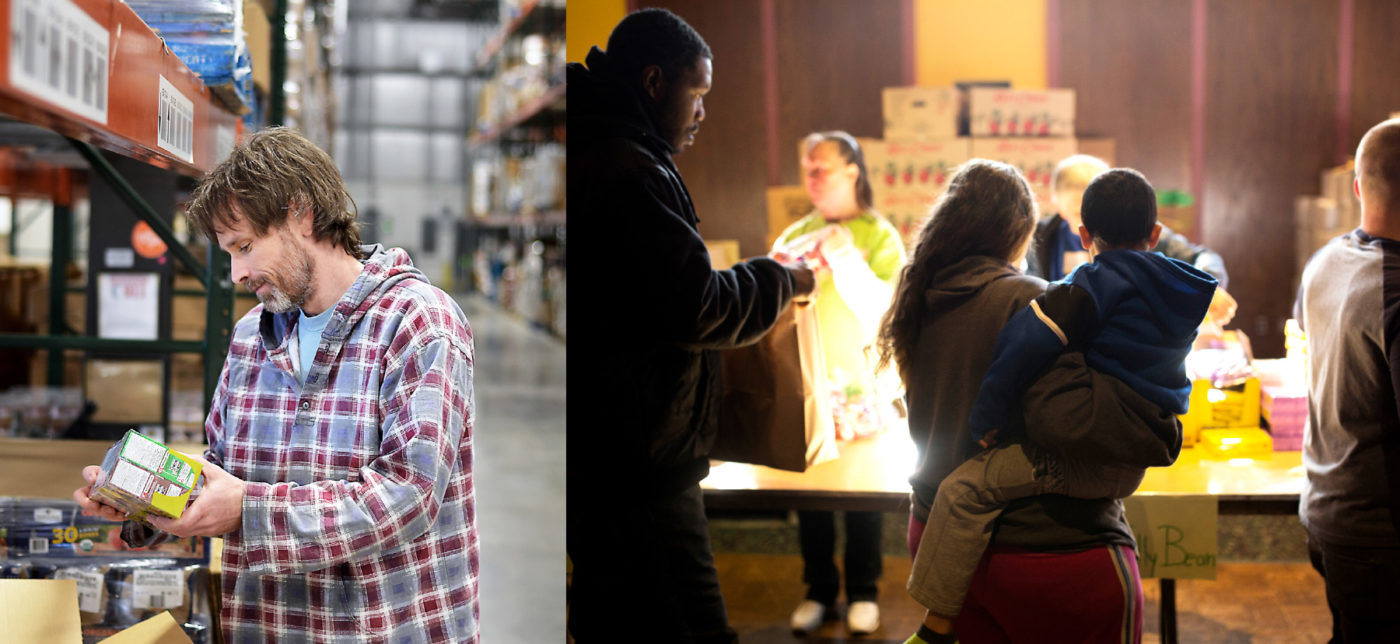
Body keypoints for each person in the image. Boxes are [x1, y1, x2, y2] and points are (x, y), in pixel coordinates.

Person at [71, 127, 480, 642]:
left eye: (245, 246)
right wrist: (150, 504)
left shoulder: (419, 324)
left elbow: (408, 497)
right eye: (229, 253)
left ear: (301, 214)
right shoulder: (250, 336)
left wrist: (248, 508)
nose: (238, 273)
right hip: (267, 626)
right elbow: (223, 471)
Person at [566, 9, 816, 643]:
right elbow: (696, 306)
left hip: (607, 454)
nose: (703, 111)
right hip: (638, 462)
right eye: (697, 93)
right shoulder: (629, 169)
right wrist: (781, 279)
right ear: (654, 82)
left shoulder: (604, 145)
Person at [905, 168, 1214, 643]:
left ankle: (932, 626)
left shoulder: (921, 295)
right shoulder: (1176, 289)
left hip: (935, 531)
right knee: (970, 488)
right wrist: (1161, 429)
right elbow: (1063, 417)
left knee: (963, 489)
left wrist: (985, 420)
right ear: (1155, 234)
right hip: (1046, 546)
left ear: (1083, 234)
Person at [771, 131, 906, 636]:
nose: (813, 178)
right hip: (807, 387)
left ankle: (864, 590)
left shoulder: (878, 235)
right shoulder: (796, 235)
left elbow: (884, 309)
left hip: (863, 387)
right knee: (812, 495)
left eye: (823, 167)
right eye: (807, 168)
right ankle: (819, 589)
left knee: (862, 494)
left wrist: (844, 260)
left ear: (853, 170)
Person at [1295, 117, 1400, 642]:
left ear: (1358, 187)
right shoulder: (1395, 288)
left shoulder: (1326, 260)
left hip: (1326, 505)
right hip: (1380, 531)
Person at [1029, 154, 1237, 335]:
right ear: (1058, 205)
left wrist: (1210, 285)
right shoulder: (1041, 239)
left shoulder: (1138, 229)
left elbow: (1201, 256)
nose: (1089, 219)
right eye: (1078, 212)